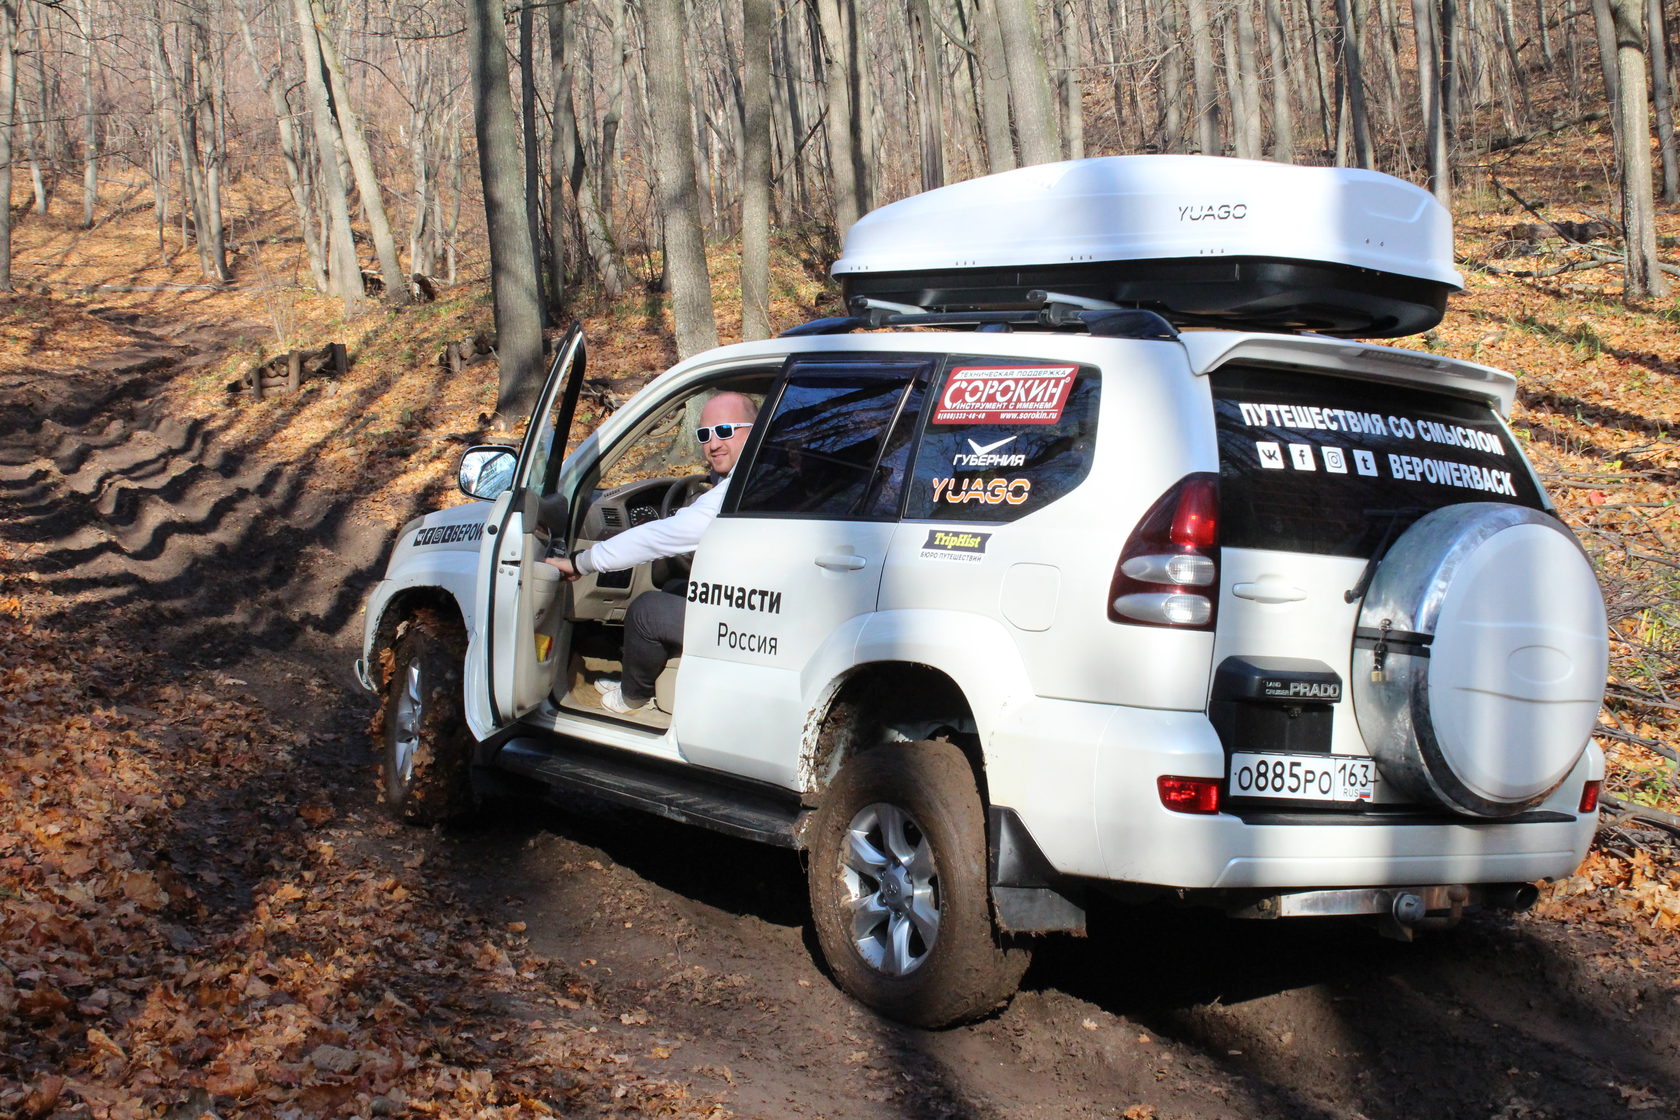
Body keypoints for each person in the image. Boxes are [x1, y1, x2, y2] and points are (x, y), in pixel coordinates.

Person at [544, 391, 758, 713]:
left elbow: (663, 535)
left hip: (750, 621)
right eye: (705, 435)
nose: (713, 444)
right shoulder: (758, 474)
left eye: (725, 431)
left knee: (646, 611)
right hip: (752, 603)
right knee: (673, 587)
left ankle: (633, 696)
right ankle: (637, 676)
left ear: (754, 431)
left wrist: (583, 561)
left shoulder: (740, 487)